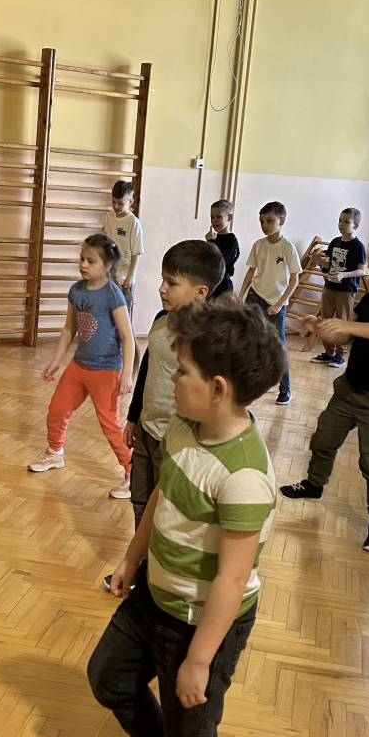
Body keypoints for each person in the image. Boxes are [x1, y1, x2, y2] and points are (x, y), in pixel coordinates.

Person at [88, 296, 285, 737]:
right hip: (155, 594)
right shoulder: (182, 427)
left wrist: (199, 660)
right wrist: (131, 559)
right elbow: (161, 497)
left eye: (183, 370)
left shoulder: (245, 477)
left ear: (218, 388)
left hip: (202, 624)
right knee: (108, 677)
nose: (171, 377)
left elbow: (231, 579)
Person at [280, 230, 369, 553]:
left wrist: (347, 325)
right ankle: (314, 484)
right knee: (323, 438)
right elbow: (345, 338)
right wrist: (322, 326)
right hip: (348, 389)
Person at [103, 240, 225, 589]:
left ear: (200, 292)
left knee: (169, 510)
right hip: (147, 429)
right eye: (162, 279)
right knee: (141, 500)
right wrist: (134, 416)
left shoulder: (206, 337)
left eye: (171, 283)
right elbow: (148, 370)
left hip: (178, 437)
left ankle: (163, 575)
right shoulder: (161, 319)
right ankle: (140, 567)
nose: (161, 288)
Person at [28, 234, 136, 497]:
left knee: (110, 425)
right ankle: (54, 452)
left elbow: (127, 337)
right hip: (79, 366)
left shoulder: (113, 295)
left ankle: (133, 472)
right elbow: (69, 329)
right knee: (57, 409)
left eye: (91, 261)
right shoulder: (76, 290)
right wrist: (56, 361)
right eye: (82, 259)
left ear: (108, 265)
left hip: (107, 370)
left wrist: (126, 375)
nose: (84, 265)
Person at [238, 201, 300, 405]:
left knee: (278, 345)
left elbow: (294, 279)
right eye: (262, 221)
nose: (264, 225)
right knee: (249, 340)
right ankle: (248, 384)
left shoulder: (288, 247)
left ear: (281, 221)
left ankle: (285, 389)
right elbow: (251, 272)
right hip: (255, 296)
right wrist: (241, 295)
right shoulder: (259, 245)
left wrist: (280, 304)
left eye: (269, 221)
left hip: (275, 302)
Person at [311, 208, 367, 369]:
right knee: (326, 319)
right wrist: (319, 261)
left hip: (346, 290)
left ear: (355, 225)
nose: (341, 224)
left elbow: (361, 270)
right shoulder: (335, 242)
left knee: (342, 321)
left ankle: (341, 355)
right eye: (340, 220)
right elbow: (329, 264)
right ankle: (328, 352)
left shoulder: (358, 246)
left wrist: (344, 275)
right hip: (329, 286)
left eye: (346, 221)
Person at [103, 179, 144, 320]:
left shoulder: (133, 223)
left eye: (120, 203)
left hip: (125, 277)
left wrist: (130, 276)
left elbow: (136, 252)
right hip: (110, 273)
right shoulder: (109, 217)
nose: (116, 206)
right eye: (113, 202)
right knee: (108, 311)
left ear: (130, 202)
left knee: (123, 314)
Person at [204, 199, 239, 299]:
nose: (214, 220)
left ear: (229, 217)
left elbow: (219, 261)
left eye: (219, 217)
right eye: (212, 217)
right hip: (212, 284)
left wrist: (210, 241)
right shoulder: (214, 237)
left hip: (223, 287)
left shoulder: (231, 241)